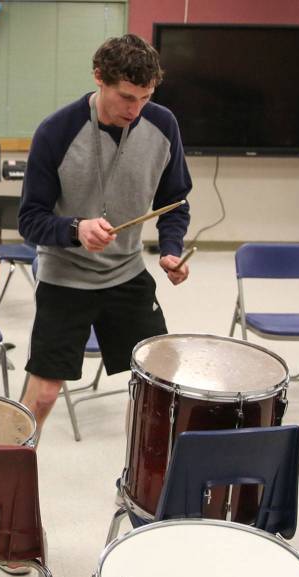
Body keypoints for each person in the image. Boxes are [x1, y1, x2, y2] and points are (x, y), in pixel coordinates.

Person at [18, 33, 192, 440]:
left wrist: (170, 251)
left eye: (145, 98)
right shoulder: (56, 132)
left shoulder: (163, 125)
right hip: (65, 276)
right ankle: (14, 483)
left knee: (157, 386)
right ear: (99, 77)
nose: (135, 110)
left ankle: (139, 487)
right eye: (126, 97)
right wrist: (75, 229)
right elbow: (30, 220)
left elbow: (175, 202)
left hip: (127, 274)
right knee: (42, 395)